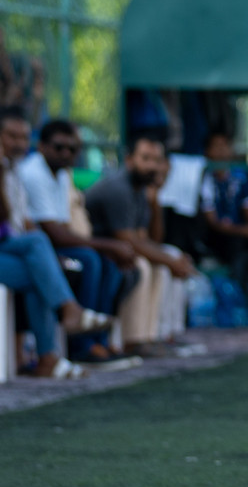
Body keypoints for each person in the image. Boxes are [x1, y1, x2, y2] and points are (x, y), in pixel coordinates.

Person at [15, 119, 138, 363]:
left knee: (109, 264)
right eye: (59, 147)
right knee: (91, 260)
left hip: (45, 244)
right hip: (35, 246)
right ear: (41, 147)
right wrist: (110, 244)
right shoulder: (33, 172)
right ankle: (80, 345)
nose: (66, 154)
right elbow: (53, 233)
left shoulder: (61, 174)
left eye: (72, 149)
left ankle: (99, 341)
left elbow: (61, 227)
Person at [0, 120, 112, 378]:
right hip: (7, 248)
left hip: (10, 250)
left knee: (40, 267)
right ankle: (69, 313)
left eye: (23, 137)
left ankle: (49, 357)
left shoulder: (13, 170)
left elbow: (23, 223)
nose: (18, 144)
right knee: (39, 247)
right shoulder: (16, 170)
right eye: (10, 136)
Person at [85, 136, 197, 356]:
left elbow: (150, 239)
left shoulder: (141, 190)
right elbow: (127, 238)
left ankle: (152, 335)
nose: (152, 166)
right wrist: (170, 261)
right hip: (98, 248)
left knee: (162, 260)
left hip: (118, 248)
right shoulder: (119, 188)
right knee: (145, 266)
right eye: (145, 159)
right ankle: (133, 340)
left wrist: (155, 201)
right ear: (129, 160)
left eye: (157, 160)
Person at [199, 131, 248, 316]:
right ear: (208, 152)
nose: (222, 151)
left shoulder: (239, 177)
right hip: (218, 237)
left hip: (240, 232)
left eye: (225, 146)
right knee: (237, 247)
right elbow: (214, 222)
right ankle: (242, 307)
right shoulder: (205, 178)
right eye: (217, 146)